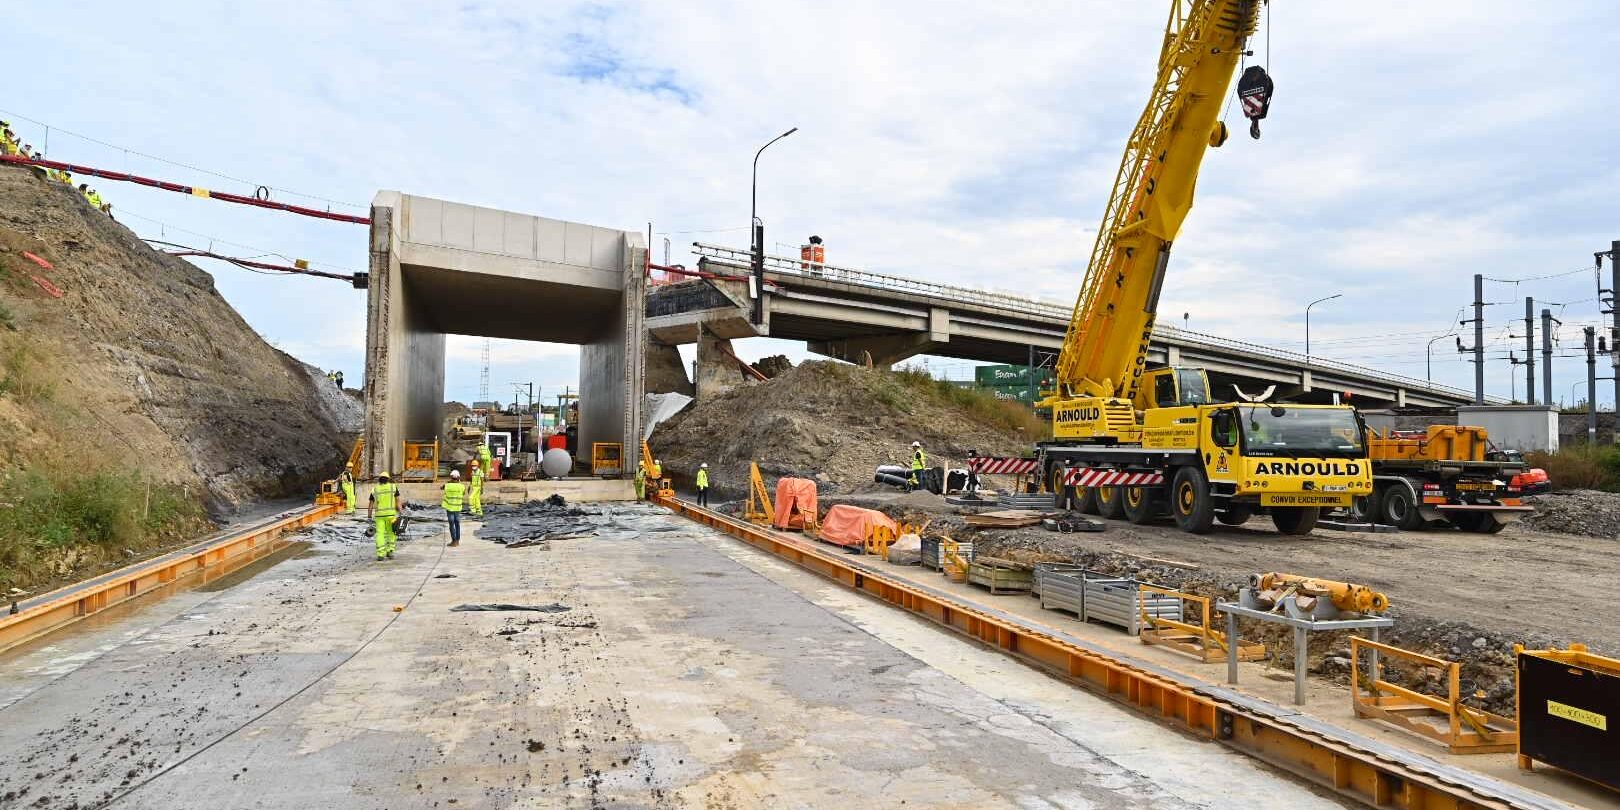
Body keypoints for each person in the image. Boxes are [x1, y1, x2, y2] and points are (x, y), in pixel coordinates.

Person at [367, 472, 402, 561]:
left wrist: (369, 517)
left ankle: (381, 554)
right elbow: (398, 501)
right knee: (391, 533)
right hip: (391, 516)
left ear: (379, 479)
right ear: (388, 479)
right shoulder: (393, 487)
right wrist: (401, 513)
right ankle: (390, 551)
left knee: (380, 534)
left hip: (379, 516)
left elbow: (370, 505)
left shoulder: (375, 489)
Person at [441, 469, 466, 547]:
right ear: (459, 478)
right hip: (457, 508)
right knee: (457, 524)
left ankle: (454, 541)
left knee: (452, 524)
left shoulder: (447, 485)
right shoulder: (462, 486)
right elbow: (463, 492)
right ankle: (457, 541)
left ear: (451, 477)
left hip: (450, 508)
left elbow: (441, 488)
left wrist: (448, 483)